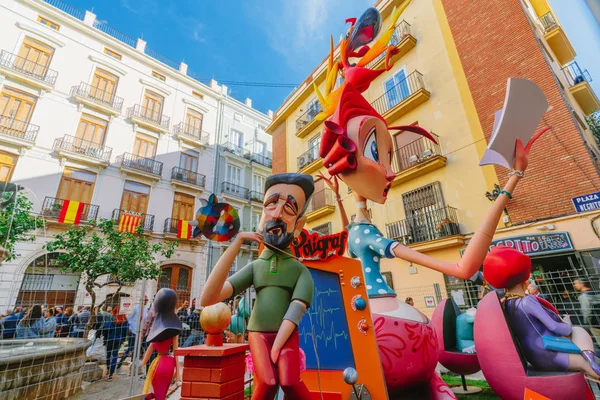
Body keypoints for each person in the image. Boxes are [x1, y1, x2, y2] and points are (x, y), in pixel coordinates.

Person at [201, 173, 315, 400]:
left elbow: (295, 312)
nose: (277, 214)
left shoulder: (300, 271)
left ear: (299, 224)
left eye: (289, 209)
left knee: (290, 381)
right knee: (268, 382)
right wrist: (238, 241)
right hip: (258, 334)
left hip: (288, 335)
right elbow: (208, 298)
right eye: (271, 204)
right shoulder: (256, 267)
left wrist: (276, 347)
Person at [485, 246, 600, 378]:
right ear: (525, 277)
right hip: (548, 351)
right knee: (579, 333)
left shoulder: (507, 304)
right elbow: (555, 327)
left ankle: (589, 359)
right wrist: (567, 324)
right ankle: (588, 359)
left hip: (532, 354)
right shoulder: (528, 301)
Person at [142, 288, 182, 400]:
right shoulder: (173, 329)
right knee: (162, 394)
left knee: (158, 392)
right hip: (168, 365)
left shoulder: (156, 327)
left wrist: (142, 364)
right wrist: (178, 376)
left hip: (156, 364)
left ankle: (148, 397)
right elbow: (176, 353)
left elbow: (149, 351)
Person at [103, 306, 130, 381]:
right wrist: (123, 339)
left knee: (108, 354)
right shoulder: (125, 320)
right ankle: (111, 374)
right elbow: (125, 332)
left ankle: (108, 369)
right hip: (118, 340)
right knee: (115, 355)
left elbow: (106, 328)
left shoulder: (112, 319)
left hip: (110, 339)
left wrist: (105, 336)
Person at [573, 279, 600, 346]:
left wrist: (586, 324)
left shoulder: (583, 296)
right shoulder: (597, 293)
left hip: (595, 323)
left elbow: (586, 311)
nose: (574, 285)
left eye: (575, 283)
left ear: (582, 284)